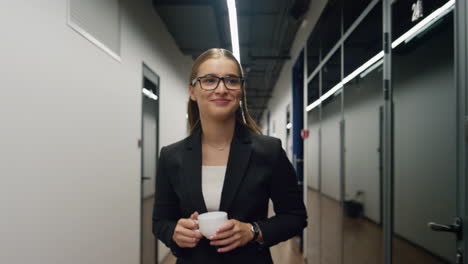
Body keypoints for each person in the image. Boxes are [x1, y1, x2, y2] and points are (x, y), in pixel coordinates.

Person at [152, 48, 307, 264]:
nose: (222, 89)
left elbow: (295, 216)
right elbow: (160, 221)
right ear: (192, 92)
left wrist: (254, 230)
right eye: (209, 80)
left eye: (232, 81)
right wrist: (174, 232)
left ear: (240, 91)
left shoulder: (269, 151)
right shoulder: (171, 156)